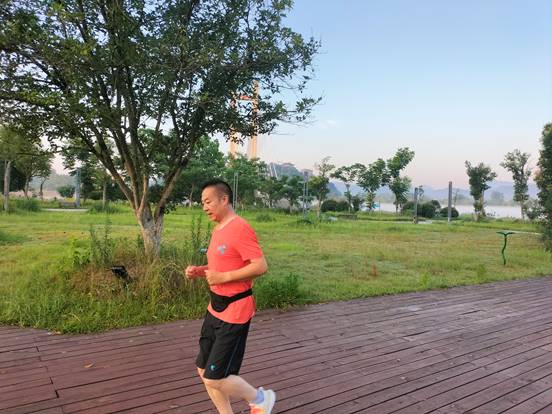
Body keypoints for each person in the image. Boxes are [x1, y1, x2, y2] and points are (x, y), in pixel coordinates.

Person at [185, 179, 276, 414]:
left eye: (208, 202)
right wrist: (200, 271)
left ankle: (261, 399)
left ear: (224, 199)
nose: (204, 207)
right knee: (203, 370)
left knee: (215, 377)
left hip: (236, 311)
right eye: (202, 203)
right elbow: (224, 264)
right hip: (215, 307)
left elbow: (260, 266)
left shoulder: (240, 227)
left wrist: (223, 277)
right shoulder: (219, 229)